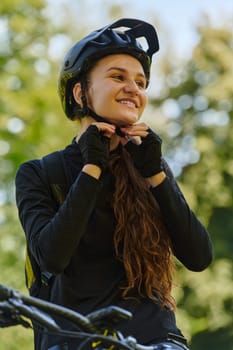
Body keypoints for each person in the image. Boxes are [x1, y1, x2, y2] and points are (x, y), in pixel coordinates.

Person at [15, 18, 213, 350]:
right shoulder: (40, 173)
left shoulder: (151, 166)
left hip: (156, 341)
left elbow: (199, 256)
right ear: (80, 92)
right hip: (75, 341)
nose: (134, 89)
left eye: (140, 81)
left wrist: (157, 175)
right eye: (117, 77)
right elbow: (52, 256)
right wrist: (92, 166)